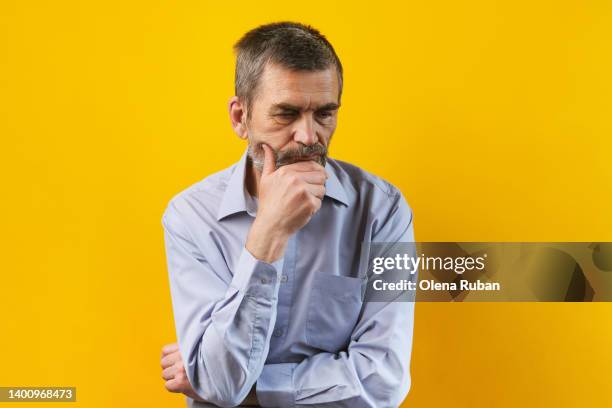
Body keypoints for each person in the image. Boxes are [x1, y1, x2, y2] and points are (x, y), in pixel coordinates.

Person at [160, 21, 416, 408]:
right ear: (239, 118)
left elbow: (383, 380)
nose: (309, 137)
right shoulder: (191, 218)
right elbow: (219, 382)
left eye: (325, 114)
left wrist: (255, 388)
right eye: (286, 114)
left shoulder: (383, 211)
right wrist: (268, 235)